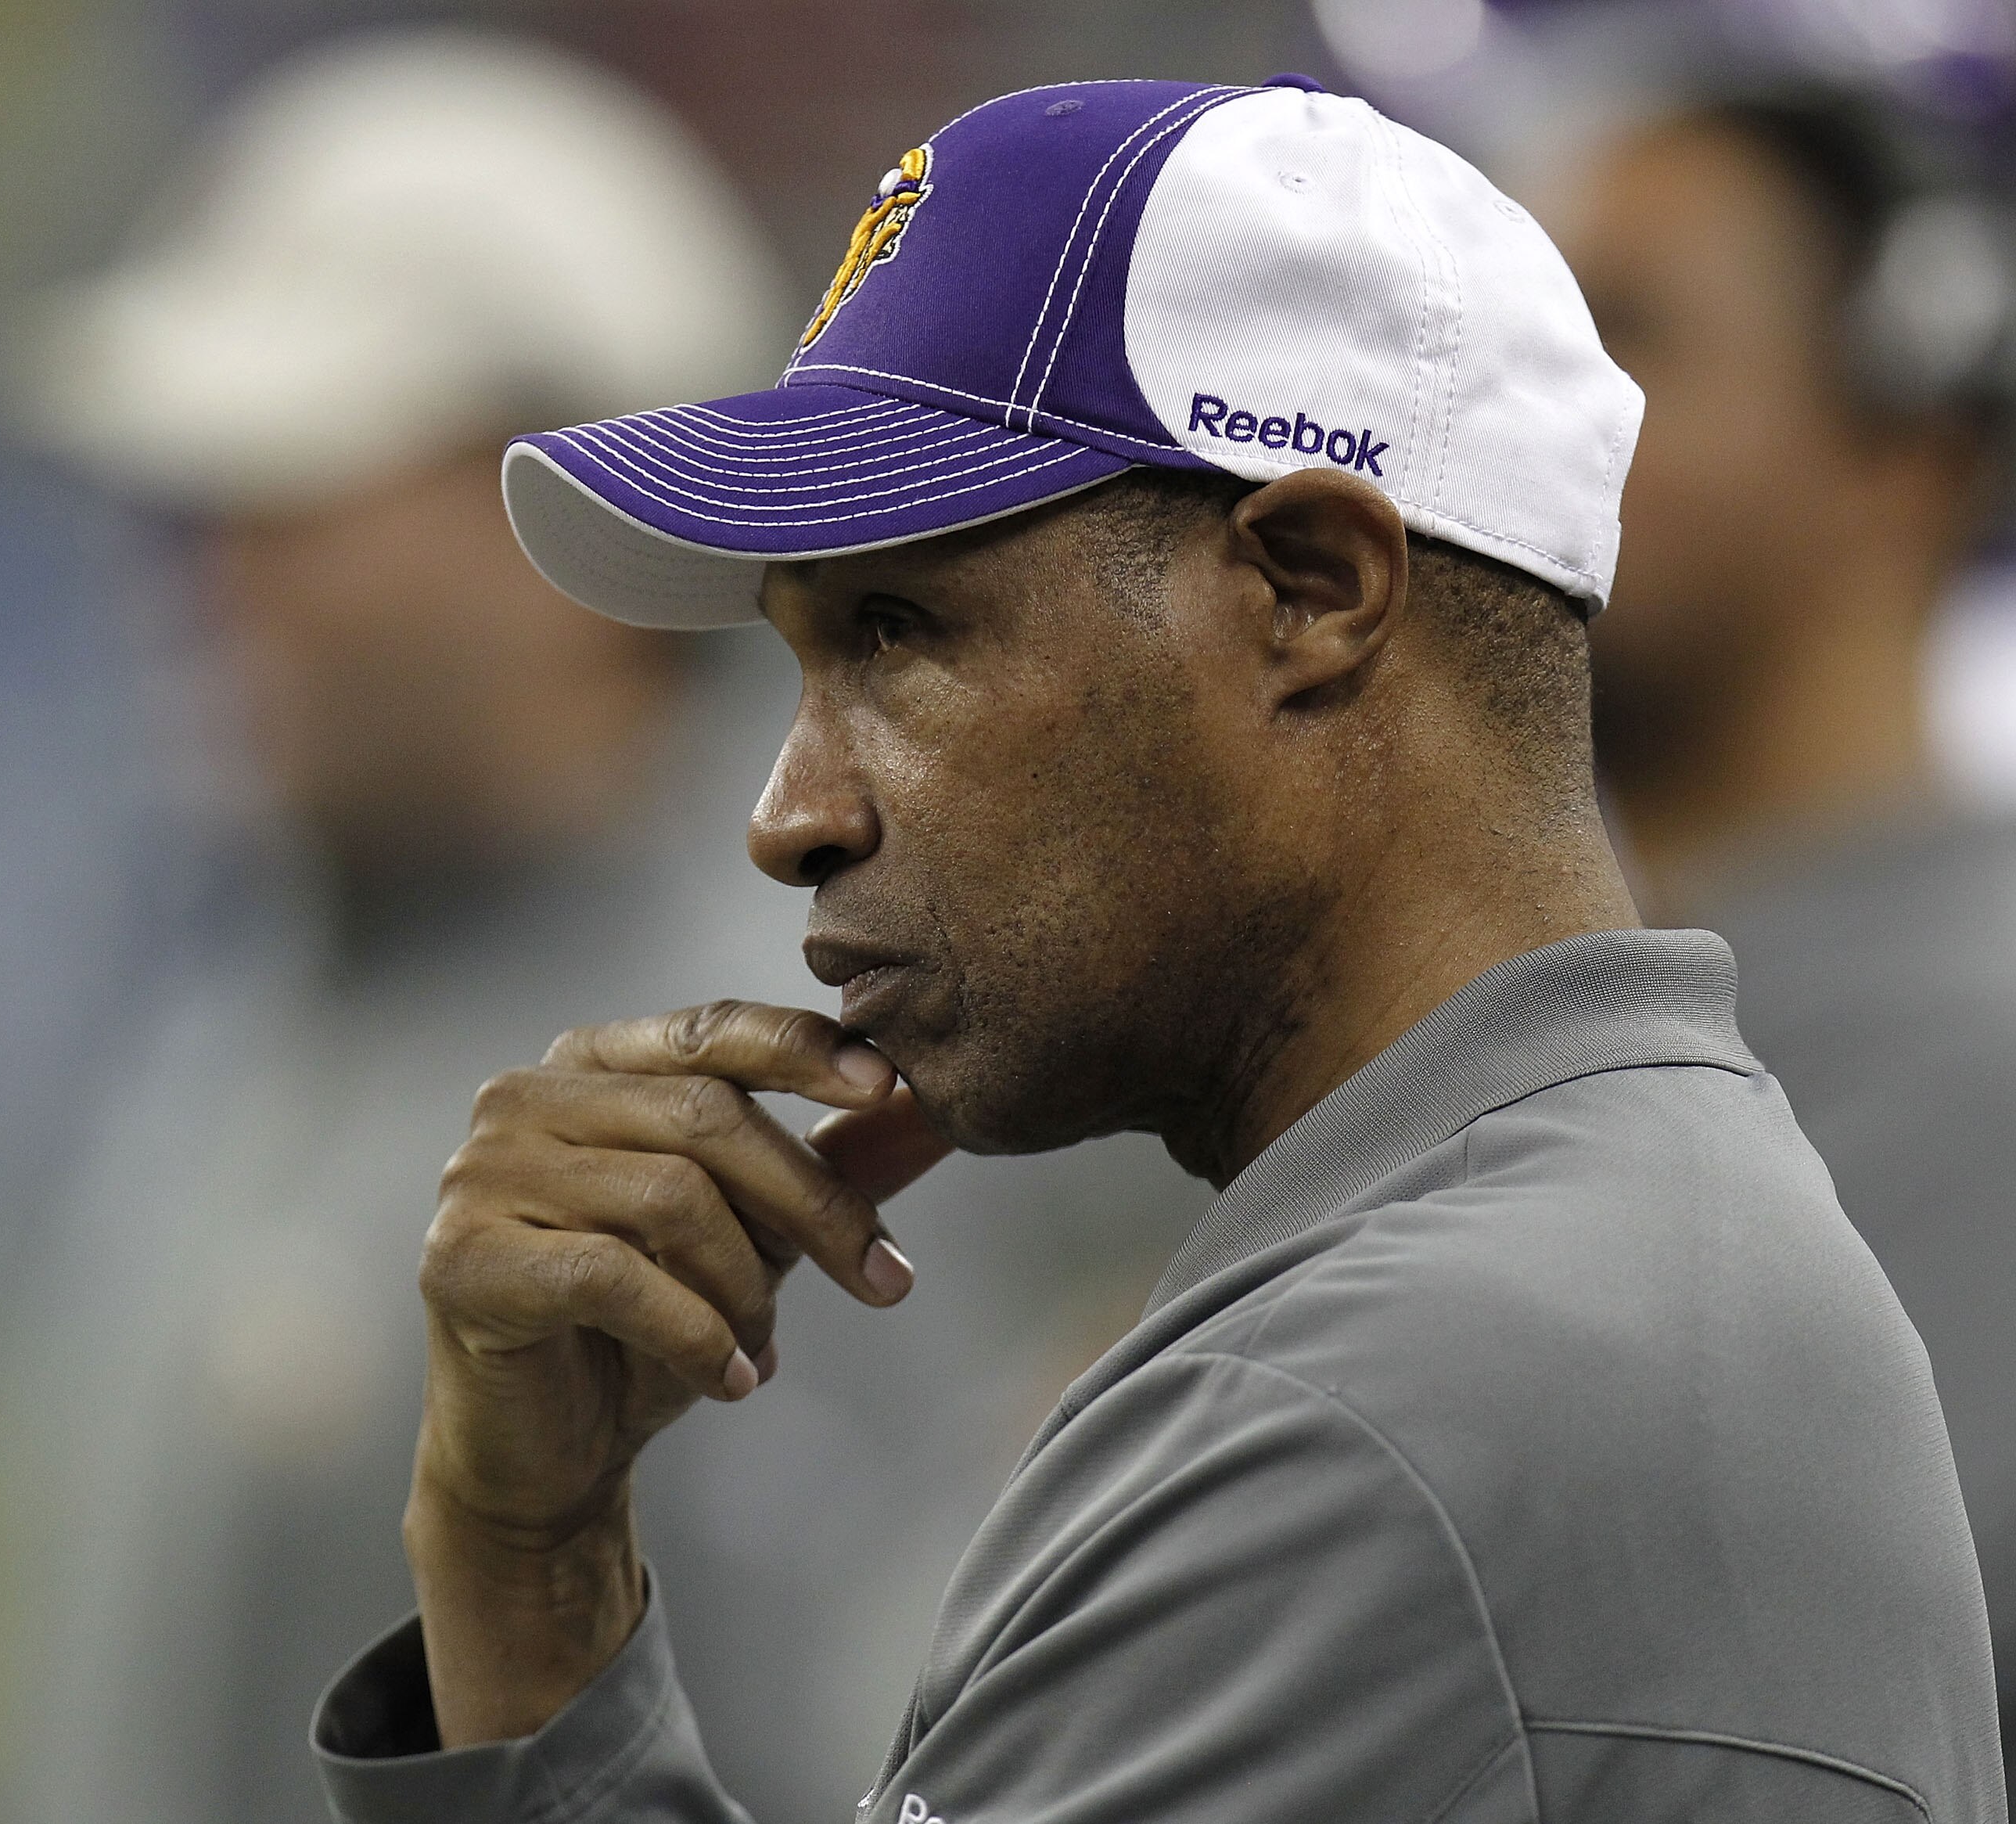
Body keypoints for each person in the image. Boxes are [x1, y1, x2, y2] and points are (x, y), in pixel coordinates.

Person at [307, 77, 2004, 1823]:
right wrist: (535, 1568)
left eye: (898, 632)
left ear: (1314, 589)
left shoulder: (1383, 1402)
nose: (789, 810)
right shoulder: (1590, 1246)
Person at [0, 31, 1211, 1824]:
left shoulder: (768, 1059)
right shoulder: (264, 1012)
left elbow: (834, 1768)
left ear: (572, 505)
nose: (210, 564)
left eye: (294, 484)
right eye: (197, 500)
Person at [1553, 87, 2016, 1767]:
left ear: (1910, 458)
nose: (1528, 410)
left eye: (1629, 332)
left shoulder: (1987, 1059)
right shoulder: (1487, 1024)